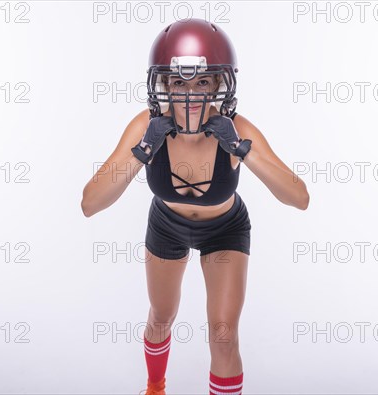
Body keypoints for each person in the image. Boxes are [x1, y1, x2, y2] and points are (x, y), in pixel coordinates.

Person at [81, 18, 310, 395]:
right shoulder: (146, 125)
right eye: (179, 83)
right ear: (164, 86)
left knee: (223, 334)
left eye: (202, 82)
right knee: (161, 316)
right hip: (166, 225)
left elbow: (298, 198)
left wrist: (241, 150)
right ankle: (155, 386)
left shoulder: (238, 129)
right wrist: (142, 153)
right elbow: (90, 203)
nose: (190, 94)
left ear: (220, 84)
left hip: (225, 229)